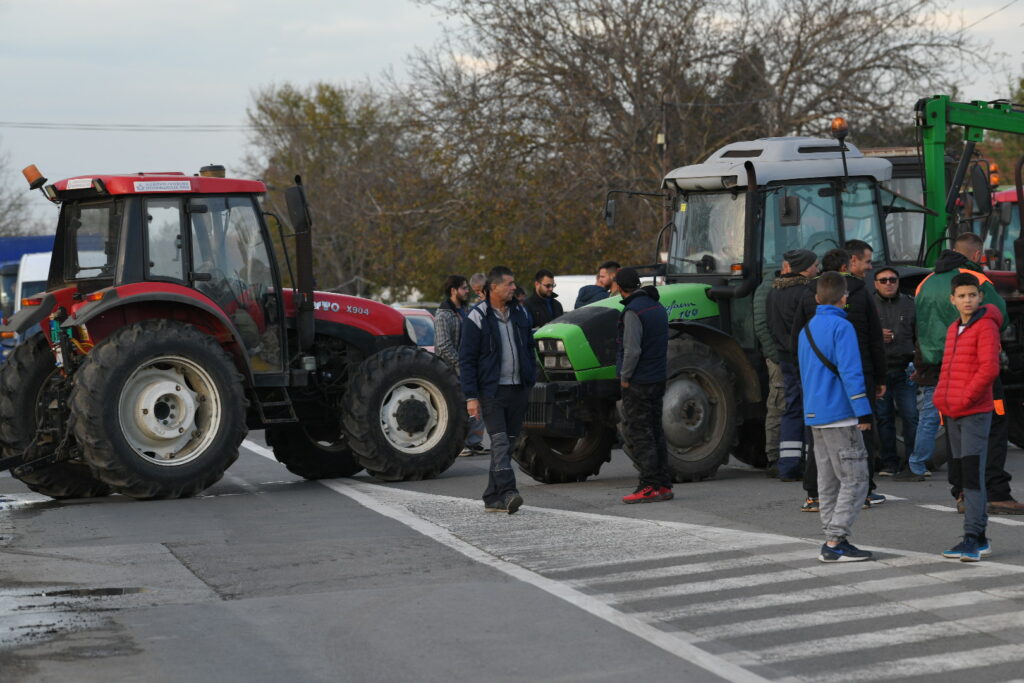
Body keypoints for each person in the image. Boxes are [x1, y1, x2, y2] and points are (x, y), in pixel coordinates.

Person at [907, 233, 1024, 513]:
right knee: (994, 429)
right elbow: (1000, 314)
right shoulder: (975, 280)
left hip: (940, 371)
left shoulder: (925, 282)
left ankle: (961, 492)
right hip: (976, 367)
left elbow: (916, 325)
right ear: (976, 255)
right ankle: (996, 492)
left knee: (955, 434)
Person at [793, 248, 887, 512]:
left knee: (820, 451)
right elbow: (873, 340)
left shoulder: (808, 302)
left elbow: (796, 343)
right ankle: (863, 493)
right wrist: (880, 377)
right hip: (856, 380)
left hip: (816, 389)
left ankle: (815, 496)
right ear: (848, 266)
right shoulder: (856, 303)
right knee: (859, 441)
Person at [797, 271, 875, 562]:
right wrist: (863, 410)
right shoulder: (843, 327)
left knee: (827, 482)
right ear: (845, 298)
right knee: (856, 479)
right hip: (841, 414)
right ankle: (835, 541)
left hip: (815, 414)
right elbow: (851, 371)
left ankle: (831, 536)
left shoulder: (807, 329)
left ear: (818, 298)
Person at [933, 273, 1001, 561]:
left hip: (973, 411)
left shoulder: (985, 327)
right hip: (953, 413)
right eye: (962, 296)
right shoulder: (953, 329)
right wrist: (941, 398)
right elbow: (948, 369)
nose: (967, 300)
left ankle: (974, 537)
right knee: (961, 476)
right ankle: (976, 536)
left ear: (980, 297)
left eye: (972, 295)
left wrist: (963, 399)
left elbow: (989, 369)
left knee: (972, 475)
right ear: (952, 300)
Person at [460, 266, 537, 514]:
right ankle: (508, 492)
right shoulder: (477, 316)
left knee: (510, 443)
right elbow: (467, 359)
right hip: (492, 391)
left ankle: (492, 496)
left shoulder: (520, 312)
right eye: (509, 284)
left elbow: (528, 347)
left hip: (518, 388)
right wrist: (471, 396)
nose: (514, 288)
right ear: (494, 287)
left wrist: (530, 378)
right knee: (500, 442)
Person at [614, 267, 673, 503]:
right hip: (657, 377)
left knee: (640, 433)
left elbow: (632, 349)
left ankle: (648, 484)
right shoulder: (657, 307)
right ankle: (663, 485)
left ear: (619, 286)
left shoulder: (632, 312)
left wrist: (625, 377)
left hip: (638, 381)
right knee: (656, 431)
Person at [766, 248, 819, 481]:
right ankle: (810, 464)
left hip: (785, 358)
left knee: (792, 408)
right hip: (805, 359)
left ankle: (788, 465)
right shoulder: (807, 293)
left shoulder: (773, 293)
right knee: (812, 409)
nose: (818, 269)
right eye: (815, 265)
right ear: (806, 267)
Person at [435, 274, 489, 457]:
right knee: (459, 407)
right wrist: (462, 365)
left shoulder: (466, 311)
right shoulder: (443, 314)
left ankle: (474, 442)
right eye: (464, 288)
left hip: (468, 368)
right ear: (453, 291)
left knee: (477, 403)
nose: (467, 291)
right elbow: (443, 346)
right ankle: (460, 444)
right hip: (451, 370)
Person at [871, 267, 918, 475]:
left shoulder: (910, 304)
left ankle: (912, 462)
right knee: (884, 418)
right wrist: (877, 335)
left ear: (898, 282)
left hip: (904, 368)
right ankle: (889, 462)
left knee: (910, 416)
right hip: (880, 371)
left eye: (892, 280)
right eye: (883, 280)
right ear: (875, 284)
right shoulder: (868, 305)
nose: (888, 283)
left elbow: (919, 335)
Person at [753, 261, 788, 476]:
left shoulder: (786, 286)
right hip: (779, 357)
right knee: (778, 403)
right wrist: (775, 356)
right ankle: (774, 456)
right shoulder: (768, 289)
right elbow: (761, 326)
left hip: (787, 356)